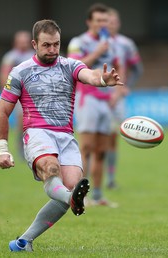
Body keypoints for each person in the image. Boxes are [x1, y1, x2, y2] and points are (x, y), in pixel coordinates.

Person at [0, 19, 123, 252]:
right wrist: (2, 148)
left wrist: (103, 80)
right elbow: (3, 111)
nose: (52, 50)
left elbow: (89, 76)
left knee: (69, 189)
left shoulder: (69, 65)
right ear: (34, 44)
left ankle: (23, 242)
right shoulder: (20, 72)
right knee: (52, 171)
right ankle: (70, 198)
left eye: (56, 44)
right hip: (37, 132)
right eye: (46, 45)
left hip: (65, 135)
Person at [67, 3, 125, 207]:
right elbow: (73, 66)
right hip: (87, 99)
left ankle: (98, 195)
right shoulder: (78, 42)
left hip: (106, 102)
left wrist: (118, 92)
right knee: (87, 147)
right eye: (99, 20)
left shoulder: (112, 43)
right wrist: (98, 51)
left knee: (102, 149)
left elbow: (119, 66)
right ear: (89, 22)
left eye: (105, 20)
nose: (103, 24)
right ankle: (78, 195)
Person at [106, 7, 144, 189]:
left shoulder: (126, 44)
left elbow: (138, 69)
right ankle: (86, 177)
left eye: (113, 22)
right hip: (94, 98)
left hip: (116, 97)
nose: (110, 25)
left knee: (112, 138)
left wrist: (126, 87)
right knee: (92, 140)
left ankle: (110, 179)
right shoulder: (90, 42)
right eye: (107, 21)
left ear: (118, 24)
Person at [0, 30, 35, 160]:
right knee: (22, 123)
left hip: (34, 95)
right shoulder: (10, 57)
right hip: (19, 95)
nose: (24, 44)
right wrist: (9, 95)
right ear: (16, 42)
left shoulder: (34, 55)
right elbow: (4, 76)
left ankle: (32, 148)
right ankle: (22, 149)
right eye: (21, 41)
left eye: (26, 41)